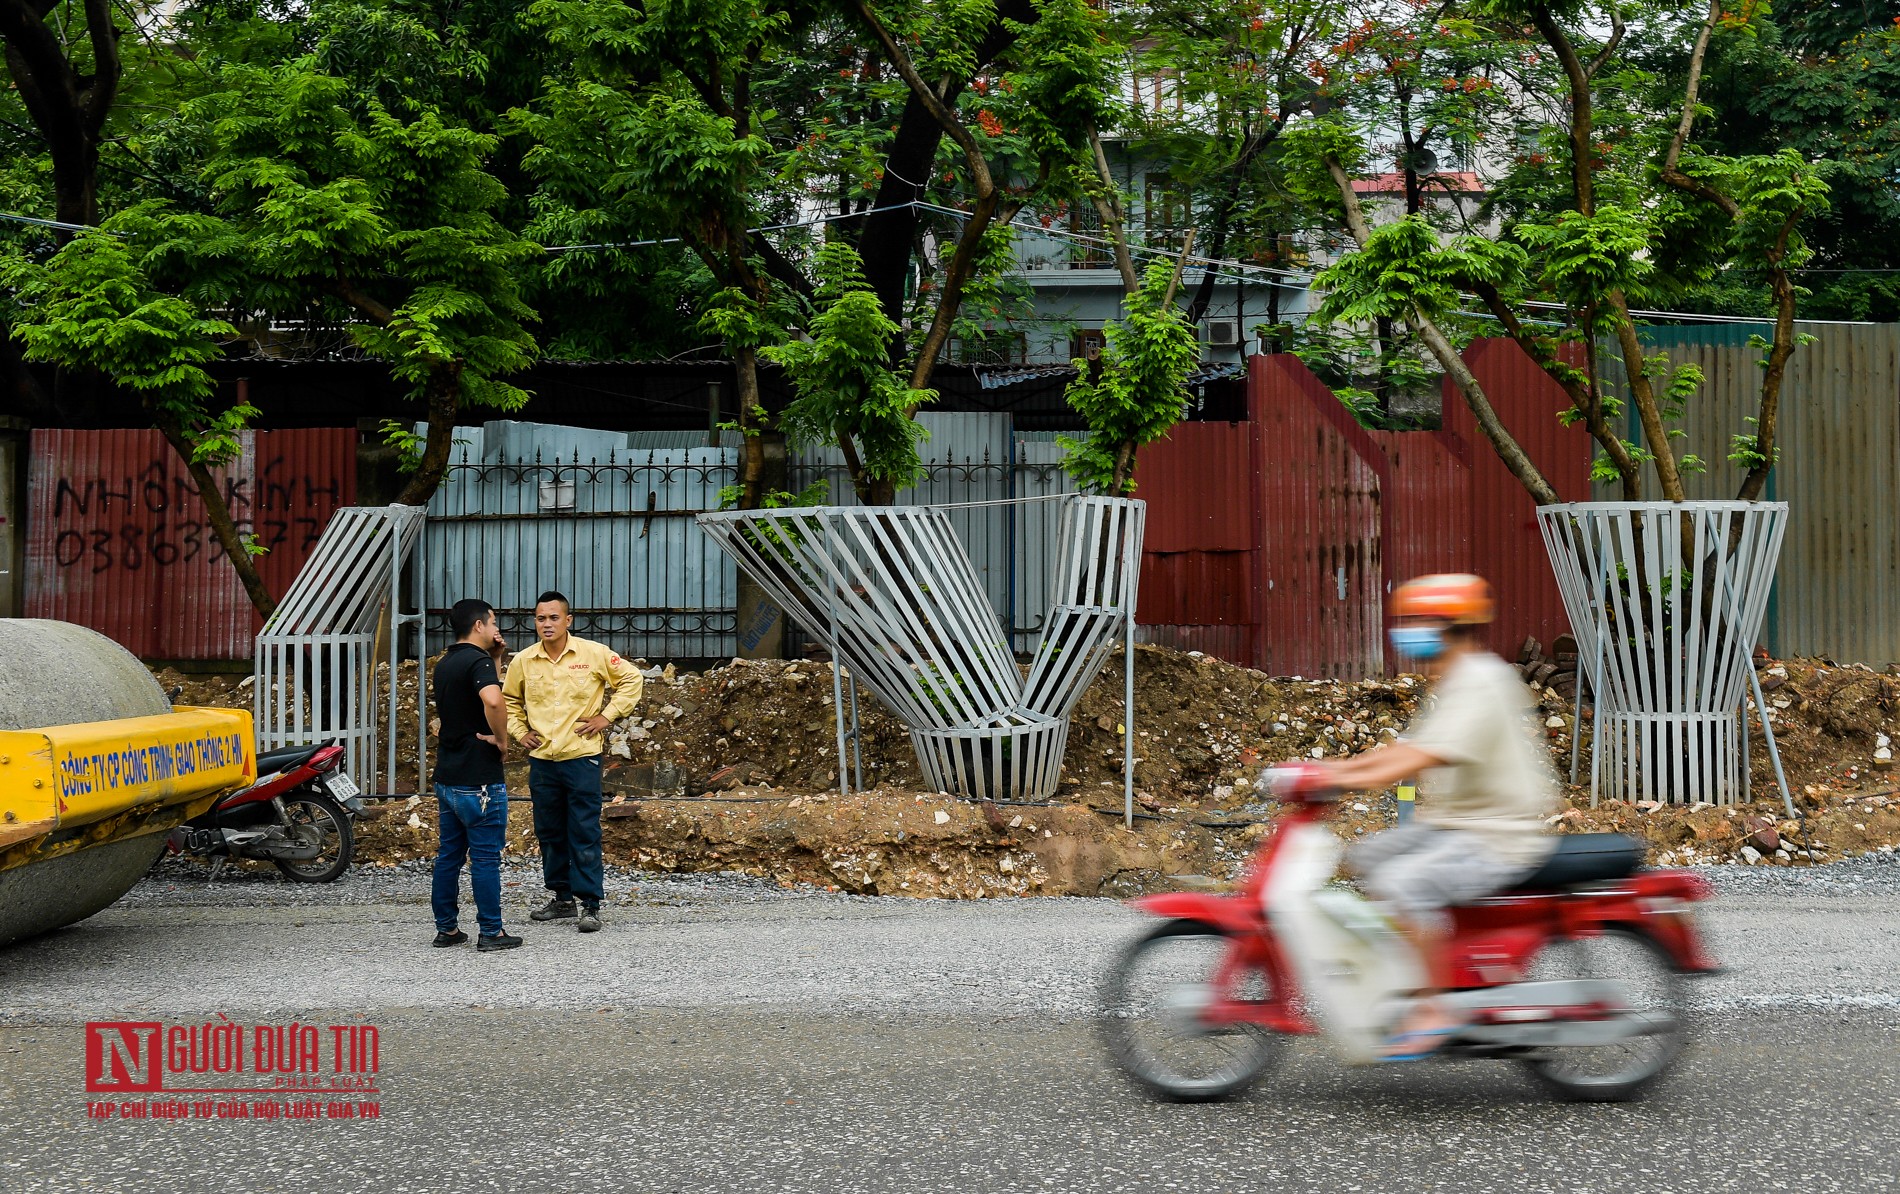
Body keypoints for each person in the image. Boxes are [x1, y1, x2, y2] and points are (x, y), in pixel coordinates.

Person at [1306, 573, 1557, 1057]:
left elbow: (1421, 759)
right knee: (1368, 856)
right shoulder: (1455, 679)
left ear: (1448, 626)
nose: (1408, 630)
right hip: (1459, 827)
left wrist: (1339, 779)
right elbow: (1406, 749)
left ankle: (1434, 1007)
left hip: (1498, 836)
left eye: (1420, 620)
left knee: (1405, 882)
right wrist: (1329, 770)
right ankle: (1420, 966)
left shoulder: (1482, 680)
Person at [502, 590, 643, 934]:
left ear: (568, 621)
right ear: (534, 622)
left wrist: (606, 717)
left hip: (582, 760)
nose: (547, 624)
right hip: (543, 762)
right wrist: (520, 733)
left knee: (583, 830)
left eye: (553, 617)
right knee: (549, 831)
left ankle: (589, 904)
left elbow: (631, 679)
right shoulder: (524, 660)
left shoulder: (592, 655)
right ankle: (562, 898)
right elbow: (507, 700)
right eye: (540, 618)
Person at [431, 598, 521, 952]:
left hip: (448, 776)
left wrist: (497, 660)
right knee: (484, 857)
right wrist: (501, 740)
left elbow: (471, 701)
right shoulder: (477, 660)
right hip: (479, 778)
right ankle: (491, 932)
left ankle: (447, 929)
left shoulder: (446, 663)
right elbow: (494, 701)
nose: (497, 629)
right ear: (479, 625)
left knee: (449, 855)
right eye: (494, 622)